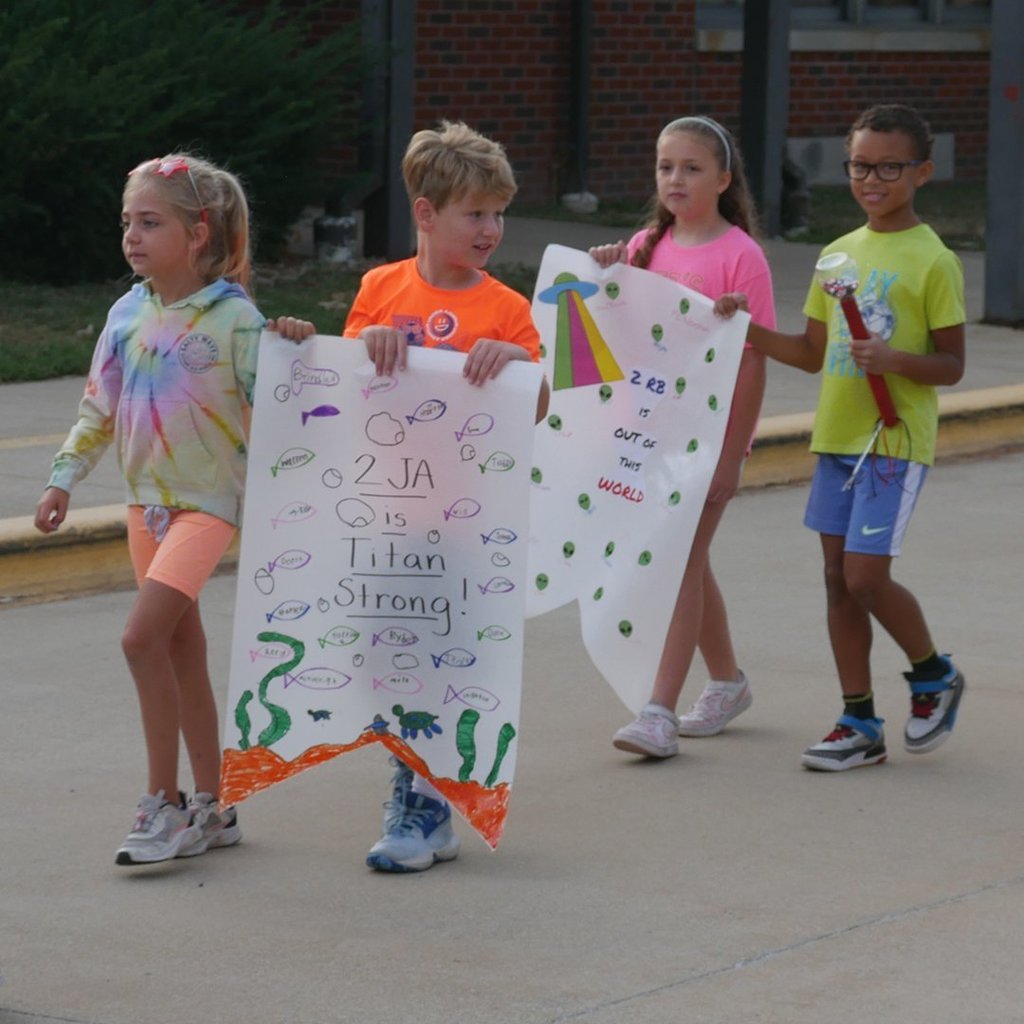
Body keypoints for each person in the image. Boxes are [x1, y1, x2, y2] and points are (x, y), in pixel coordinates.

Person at [275, 120, 549, 872]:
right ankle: (422, 791)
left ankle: (420, 806)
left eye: (498, 214)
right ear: (426, 214)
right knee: (382, 661)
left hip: (463, 525)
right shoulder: (380, 288)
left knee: (436, 664)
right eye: (475, 214)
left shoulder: (506, 308)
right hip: (385, 515)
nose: (491, 229)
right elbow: (344, 389)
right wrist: (364, 350)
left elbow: (537, 406)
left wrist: (519, 363)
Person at [35, 153, 297, 864]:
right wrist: (63, 479)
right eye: (128, 222)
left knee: (139, 640)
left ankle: (164, 803)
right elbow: (99, 406)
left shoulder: (236, 318)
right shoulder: (127, 311)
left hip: (206, 505)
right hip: (143, 505)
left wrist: (293, 349)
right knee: (183, 653)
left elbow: (283, 403)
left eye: (150, 222)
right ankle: (215, 809)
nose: (132, 235)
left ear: (199, 233)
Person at [717, 103, 966, 771]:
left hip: (893, 439)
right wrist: (741, 328)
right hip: (838, 437)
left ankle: (934, 673)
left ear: (923, 172)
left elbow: (952, 365)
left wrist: (895, 361)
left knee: (864, 577)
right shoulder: (836, 256)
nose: (872, 179)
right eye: (861, 165)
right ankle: (858, 719)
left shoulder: (933, 260)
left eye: (889, 167)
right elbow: (809, 352)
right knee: (835, 578)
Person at [587, 115, 775, 759]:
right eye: (666, 166)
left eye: (692, 168)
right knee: (687, 560)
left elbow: (753, 359)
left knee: (676, 565)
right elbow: (619, 340)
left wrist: (732, 455)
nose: (676, 178)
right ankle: (727, 682)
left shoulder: (740, 256)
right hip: (649, 437)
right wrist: (605, 279)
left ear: (724, 179)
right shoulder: (644, 246)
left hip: (707, 439)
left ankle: (658, 711)